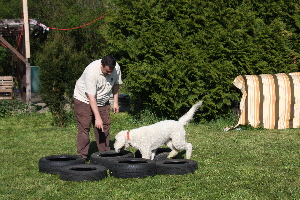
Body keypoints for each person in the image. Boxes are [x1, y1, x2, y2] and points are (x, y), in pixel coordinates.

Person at [73, 55, 122, 160]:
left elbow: (116, 84)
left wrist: (115, 103)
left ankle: (105, 154)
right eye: (107, 71)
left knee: (104, 126)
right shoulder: (91, 72)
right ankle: (82, 156)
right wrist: (97, 118)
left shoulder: (116, 67)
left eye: (111, 71)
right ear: (102, 65)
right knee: (84, 128)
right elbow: (91, 97)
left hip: (102, 100)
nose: (109, 74)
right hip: (84, 99)